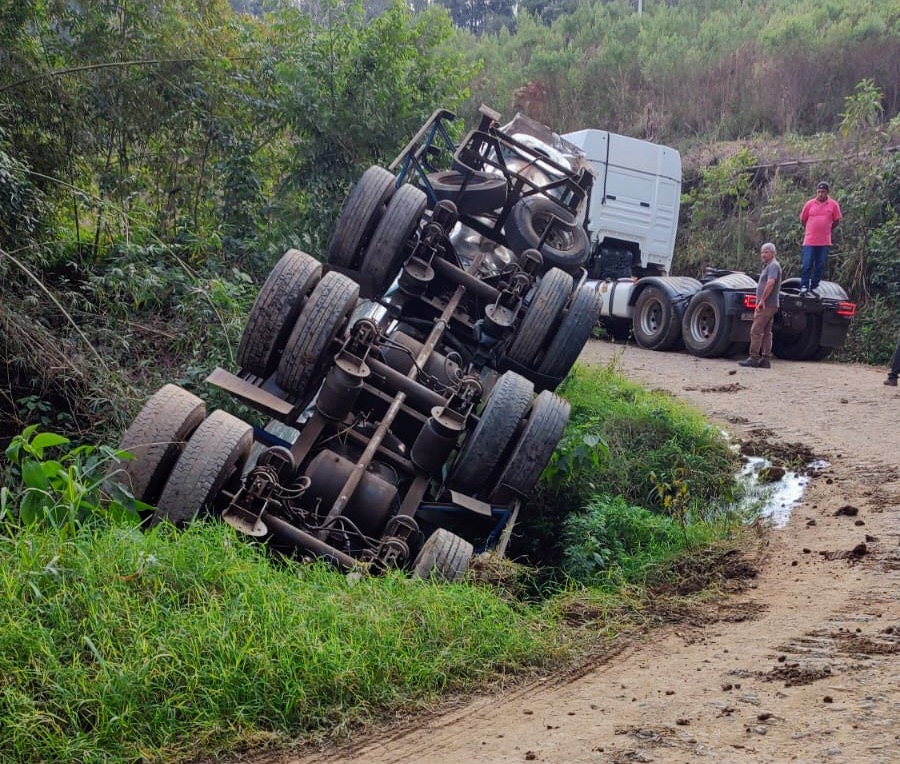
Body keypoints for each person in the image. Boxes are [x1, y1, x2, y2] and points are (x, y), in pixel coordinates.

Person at [739, 242, 782, 369]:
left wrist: (762, 300)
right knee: (767, 331)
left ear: (773, 253)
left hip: (767, 304)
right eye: (762, 252)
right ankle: (765, 359)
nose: (763, 254)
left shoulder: (773, 266)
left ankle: (753, 357)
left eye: (766, 252)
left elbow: (770, 283)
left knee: (756, 330)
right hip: (771, 304)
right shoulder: (769, 266)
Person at [799, 181, 842, 296]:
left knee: (820, 265)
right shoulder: (809, 204)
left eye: (823, 192)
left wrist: (826, 229)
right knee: (807, 263)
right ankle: (804, 286)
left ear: (827, 192)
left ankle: (814, 286)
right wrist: (811, 229)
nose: (820, 194)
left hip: (824, 241)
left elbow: (836, 220)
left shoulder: (833, 205)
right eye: (818, 192)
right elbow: (803, 219)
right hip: (809, 240)